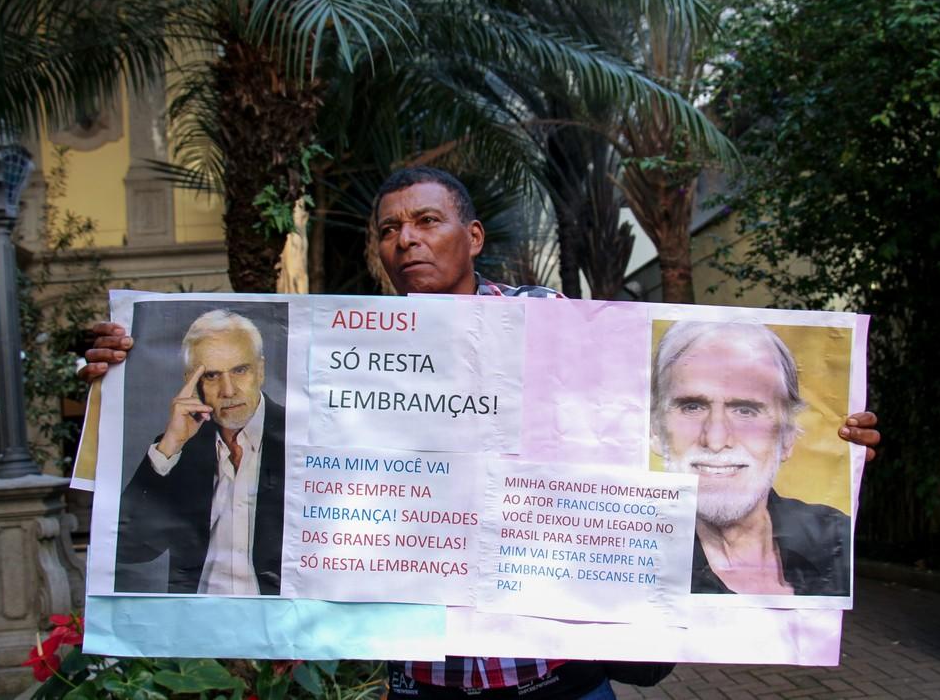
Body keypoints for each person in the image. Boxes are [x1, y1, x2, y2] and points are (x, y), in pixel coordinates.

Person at [81, 167, 880, 697]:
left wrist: (837, 432)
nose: (406, 239)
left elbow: (673, 416)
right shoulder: (345, 351)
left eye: (427, 220)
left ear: (471, 238)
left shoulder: (564, 327)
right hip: (421, 681)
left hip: (558, 681)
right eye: (390, 228)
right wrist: (122, 365)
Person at [650, 321, 864, 596]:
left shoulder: (835, 536)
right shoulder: (628, 561)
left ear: (787, 437)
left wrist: (857, 462)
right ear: (655, 431)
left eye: (746, 410)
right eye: (692, 407)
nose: (715, 440)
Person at [115, 309, 285, 596]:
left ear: (261, 371)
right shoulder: (178, 450)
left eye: (240, 370)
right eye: (211, 376)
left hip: (283, 630)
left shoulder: (299, 438)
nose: (228, 390)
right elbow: (130, 548)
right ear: (191, 384)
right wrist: (169, 446)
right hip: (197, 628)